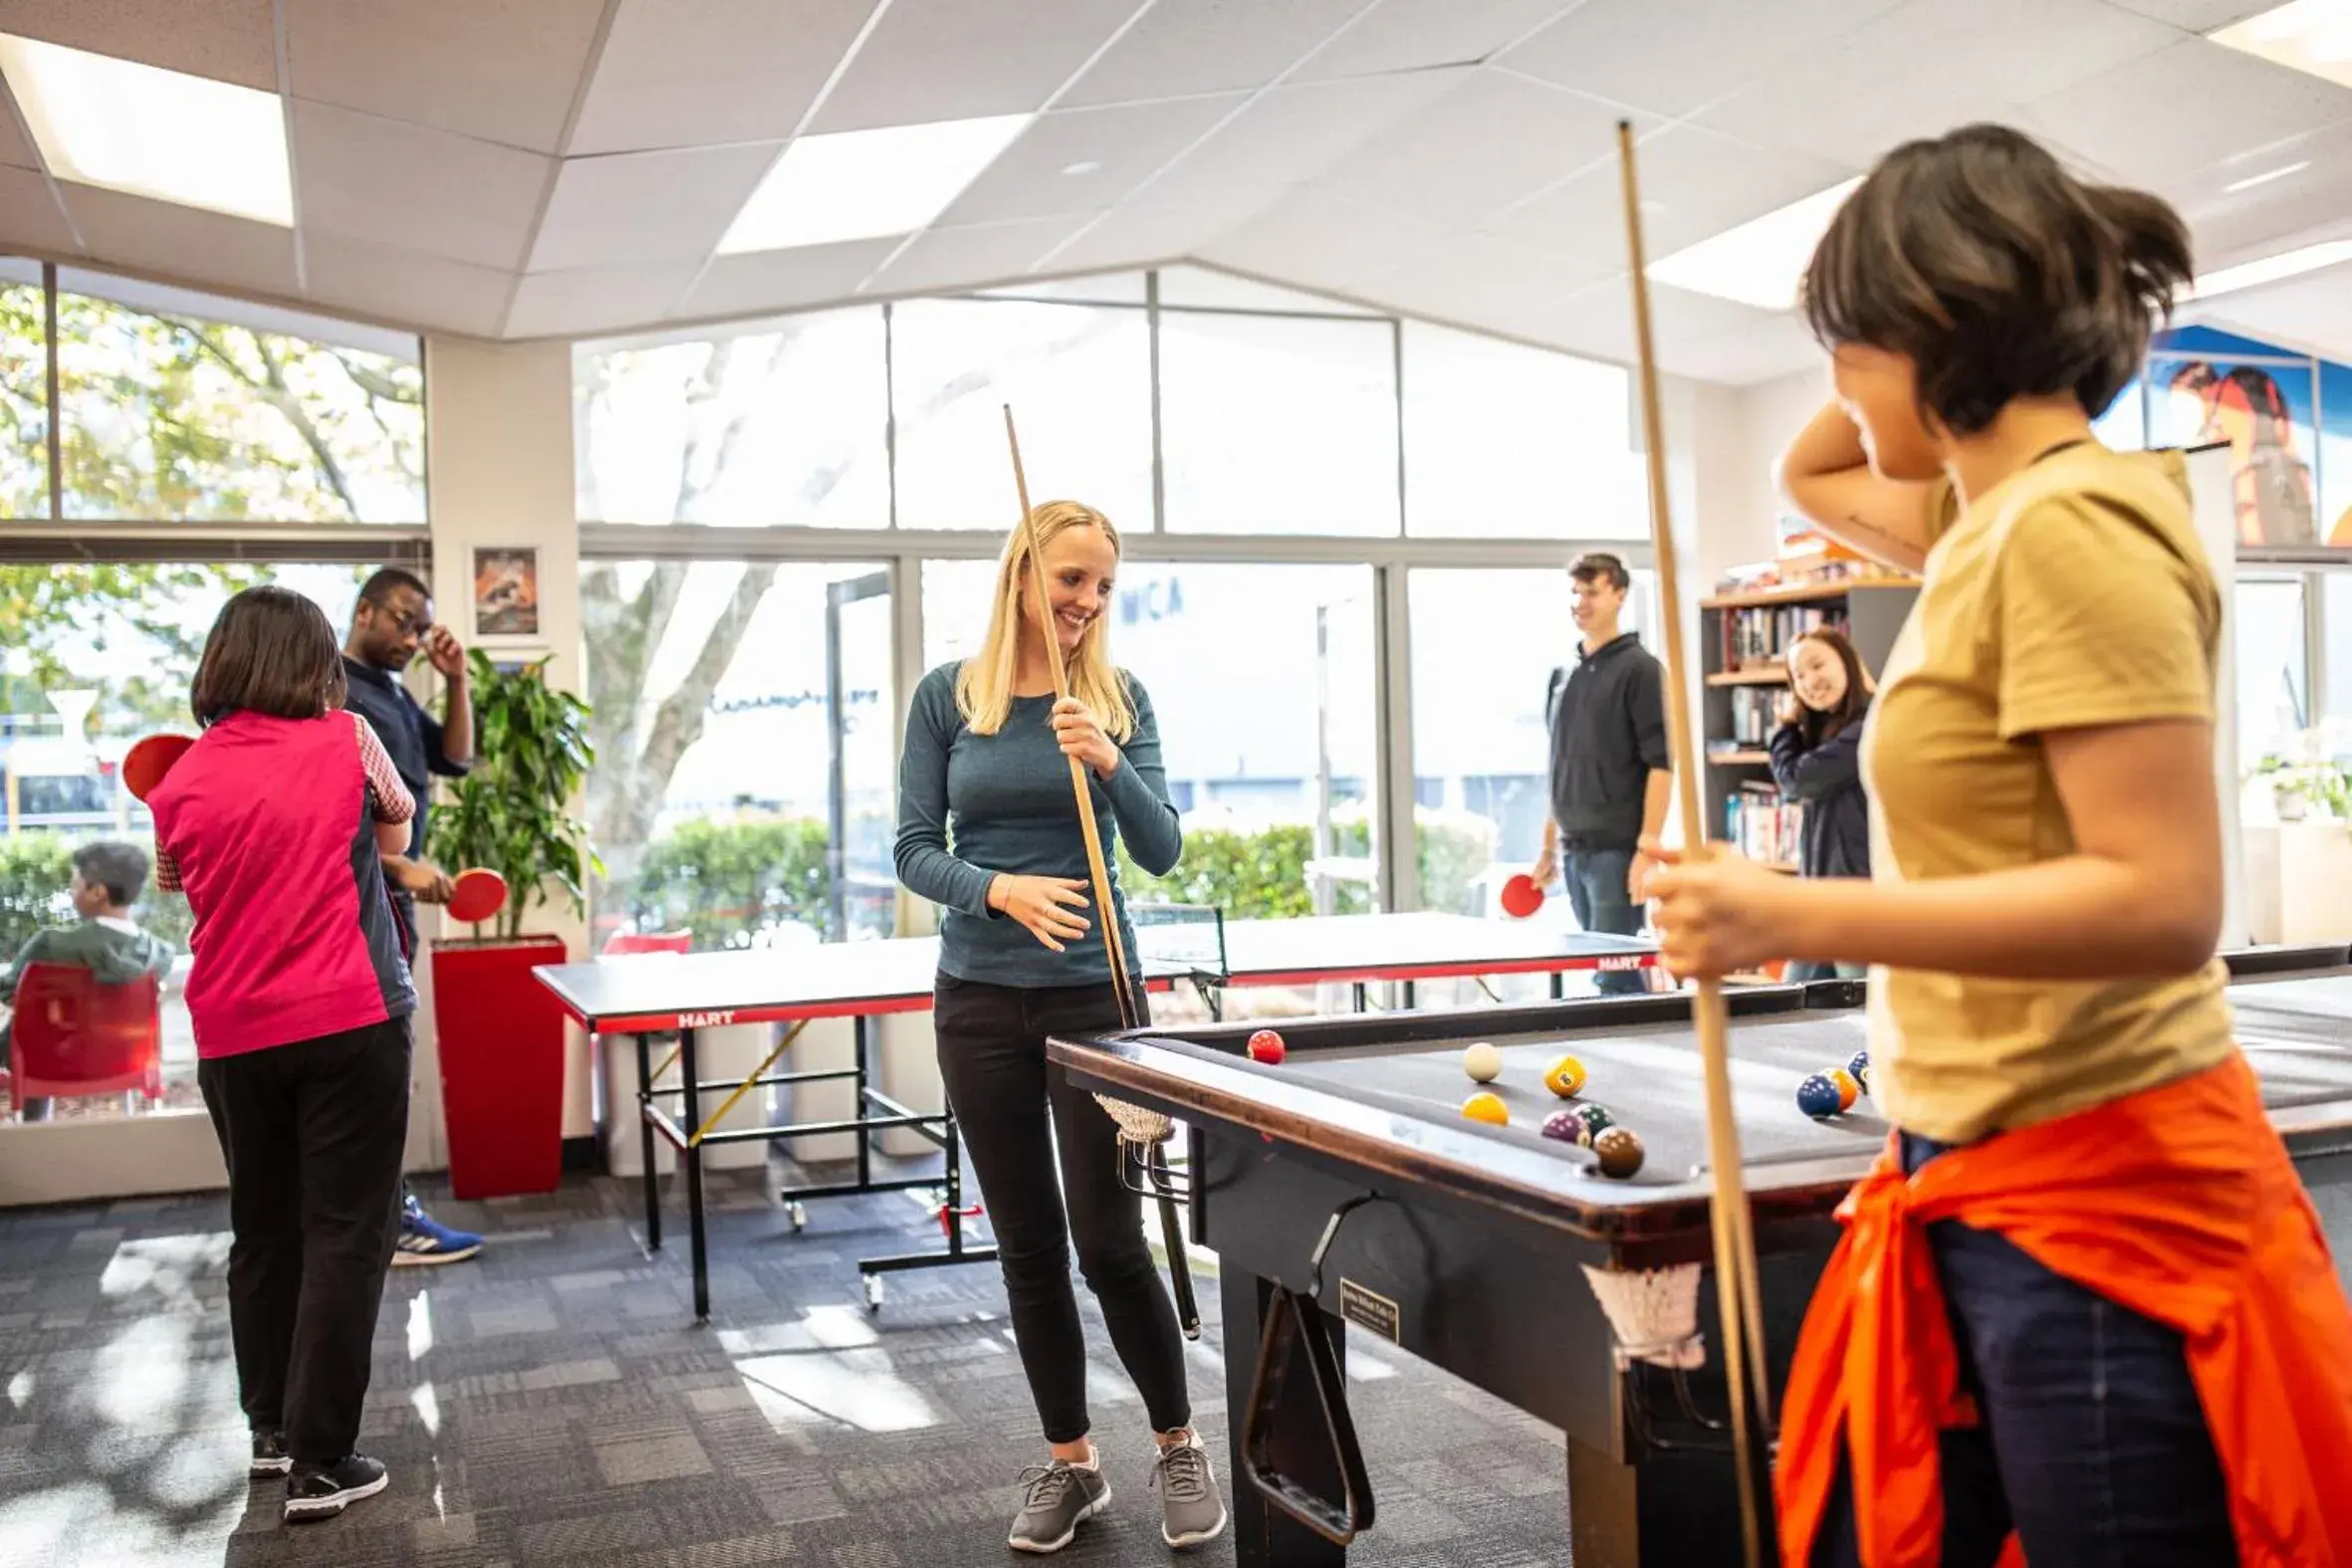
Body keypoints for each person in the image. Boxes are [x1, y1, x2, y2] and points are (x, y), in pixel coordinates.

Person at [1642, 123, 2352, 1565]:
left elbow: (2162, 900)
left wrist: (1797, 909)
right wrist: (1925, 341)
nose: (1833, 384)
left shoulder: (2068, 528)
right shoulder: (1982, 521)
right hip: (1985, 1172)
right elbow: (1805, 463)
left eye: (1849, 343)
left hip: (2100, 1198)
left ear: (1931, 328)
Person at [894, 501, 1224, 1556]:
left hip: (1095, 1000)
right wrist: (999, 892)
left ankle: (1177, 1443)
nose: (1083, 602)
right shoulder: (949, 697)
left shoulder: (1119, 700)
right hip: (978, 1000)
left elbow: (1163, 850)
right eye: (1068, 578)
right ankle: (1071, 1463)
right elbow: (910, 850)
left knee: (1108, 1239)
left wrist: (1107, 763)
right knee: (1027, 1246)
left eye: (1101, 586)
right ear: (1020, 575)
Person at [148, 585, 420, 1523]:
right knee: (350, 1231)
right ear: (315, 663)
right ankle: (322, 1459)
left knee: (264, 1231)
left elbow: (178, 882)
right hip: (351, 1018)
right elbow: (397, 827)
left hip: (232, 1032)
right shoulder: (348, 738)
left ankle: (268, 1432)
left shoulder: (175, 779)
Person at [341, 566, 485, 1267]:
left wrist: (455, 677)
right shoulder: (330, 694)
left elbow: (457, 757)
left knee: (386, 1066)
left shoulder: (392, 693)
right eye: (402, 619)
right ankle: (387, 1222)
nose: (412, 636)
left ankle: (386, 1214)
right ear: (363, 610)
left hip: (397, 903)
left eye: (421, 626)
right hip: (364, 905)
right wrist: (397, 868)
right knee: (374, 1070)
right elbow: (334, 821)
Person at [1529, 551, 1669, 994]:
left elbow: (1662, 764)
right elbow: (1558, 764)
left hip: (1618, 853)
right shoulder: (1562, 675)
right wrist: (1549, 848)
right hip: (1573, 852)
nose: (1580, 602)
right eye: (1575, 592)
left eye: (1592, 591)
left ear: (1620, 594)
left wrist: (1647, 850)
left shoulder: (1642, 671)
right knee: (1601, 971)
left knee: (1617, 977)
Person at [0, 841, 175, 1120]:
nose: (72, 892)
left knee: (32, 1035)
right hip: (126, 1060)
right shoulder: (159, 955)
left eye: (75, 884)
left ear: (98, 892)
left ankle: (34, 1125)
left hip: (47, 1061)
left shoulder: (50, 944)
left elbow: (9, 992)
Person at [1765, 627, 1871, 983]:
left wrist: (1785, 724)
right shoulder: (1822, 731)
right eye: (1798, 676)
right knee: (1793, 1008)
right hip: (1818, 896)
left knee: (1860, 1013)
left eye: (1817, 665)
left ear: (1847, 662)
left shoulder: (1870, 724)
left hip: (1856, 900)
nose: (1810, 681)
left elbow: (1794, 780)